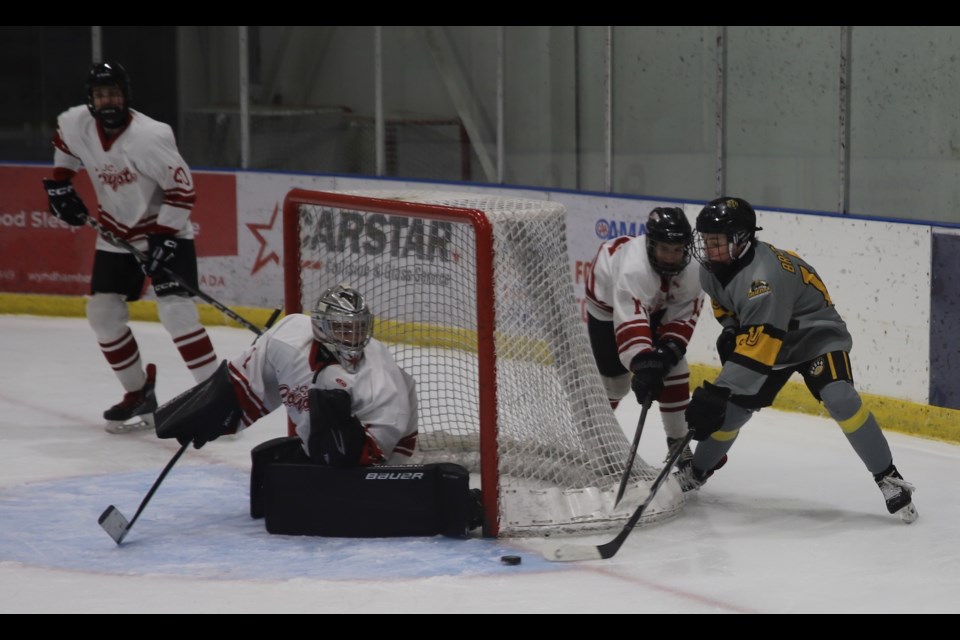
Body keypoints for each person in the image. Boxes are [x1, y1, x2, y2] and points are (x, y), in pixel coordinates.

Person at [682, 196, 918, 524]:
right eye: (705, 241)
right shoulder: (711, 270)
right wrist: (732, 328)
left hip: (815, 336)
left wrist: (718, 391)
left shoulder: (763, 278)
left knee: (840, 398)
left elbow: (759, 348)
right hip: (772, 337)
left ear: (741, 240)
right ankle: (695, 472)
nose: (708, 249)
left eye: (716, 242)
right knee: (732, 413)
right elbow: (725, 304)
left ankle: (889, 477)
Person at [41, 61, 218, 434]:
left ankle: (219, 400)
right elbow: (64, 146)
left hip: (164, 231)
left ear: (126, 96)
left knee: (177, 314)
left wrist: (164, 236)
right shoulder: (77, 123)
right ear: (91, 100)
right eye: (101, 94)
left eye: (114, 93)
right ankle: (138, 394)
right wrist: (60, 185)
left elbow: (182, 191)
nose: (108, 100)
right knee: (103, 314)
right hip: (115, 235)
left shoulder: (151, 136)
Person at [156, 283, 419, 466]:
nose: (354, 339)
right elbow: (243, 384)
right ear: (321, 327)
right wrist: (212, 409)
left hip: (379, 454)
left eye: (359, 329)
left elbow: (373, 451)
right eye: (343, 329)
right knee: (268, 462)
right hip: (321, 444)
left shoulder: (379, 376)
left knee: (328, 388)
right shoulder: (288, 337)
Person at [585, 207, 706, 464]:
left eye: (678, 250)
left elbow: (684, 314)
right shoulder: (633, 268)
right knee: (616, 384)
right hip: (607, 305)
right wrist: (643, 363)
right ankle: (593, 438)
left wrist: (668, 351)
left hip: (657, 305)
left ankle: (678, 443)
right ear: (650, 244)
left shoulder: (695, 268)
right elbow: (630, 316)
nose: (672, 257)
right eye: (664, 249)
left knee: (675, 368)